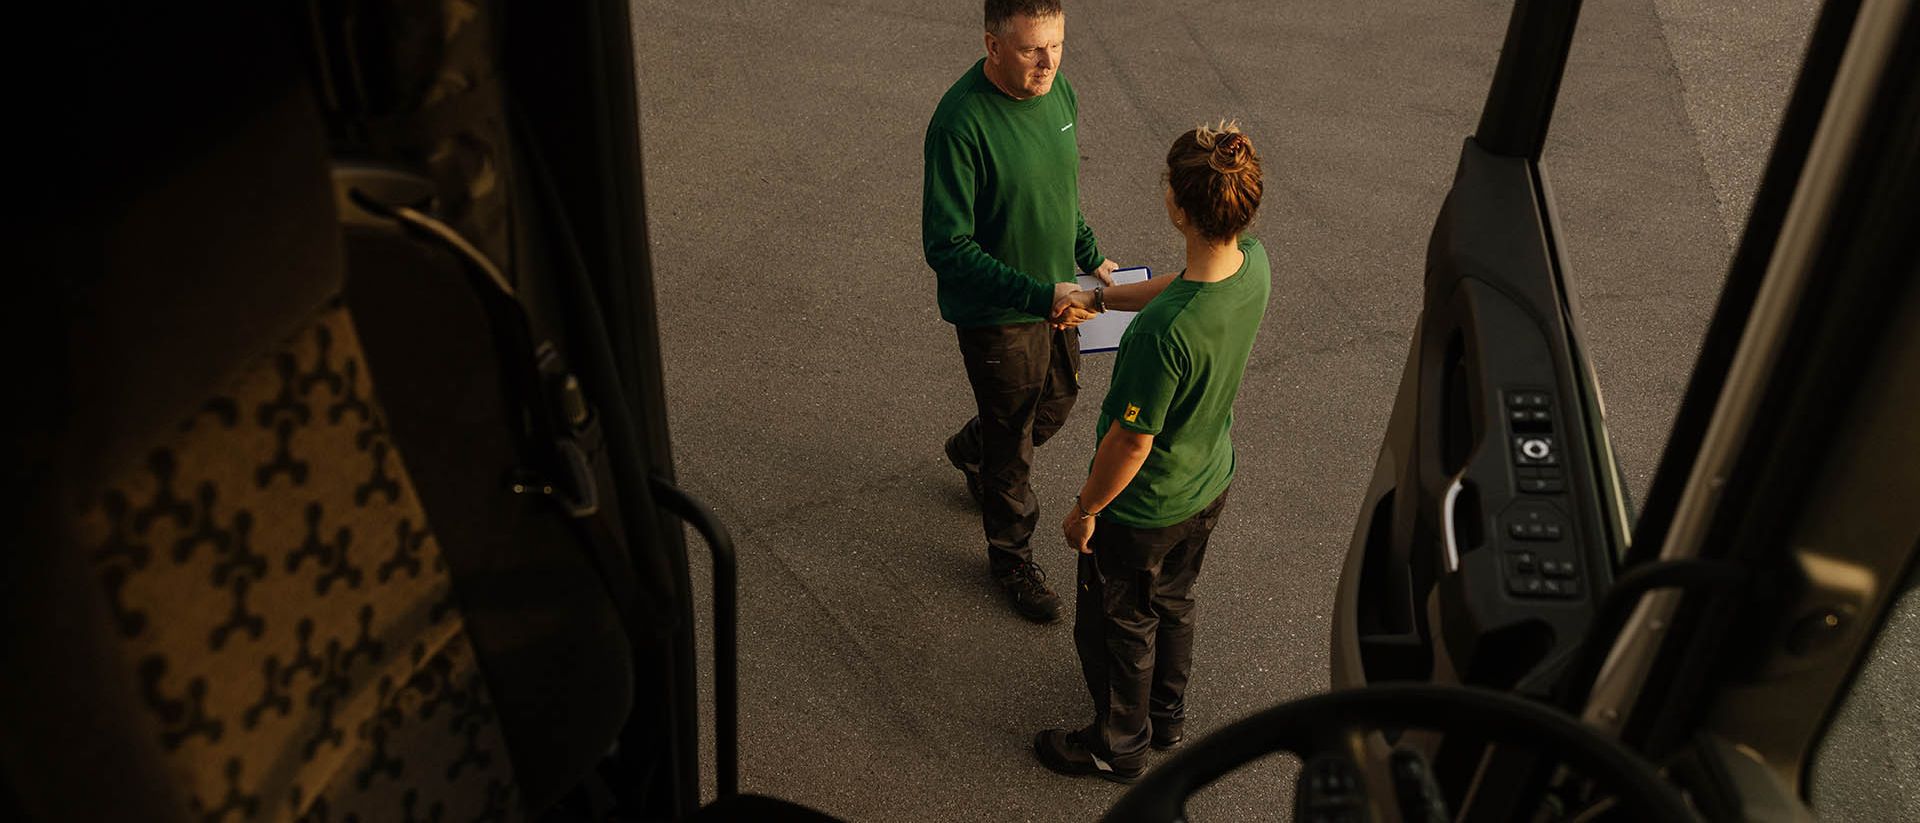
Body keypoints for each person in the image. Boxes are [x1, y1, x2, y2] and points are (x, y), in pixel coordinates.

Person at [1033, 122, 1269, 783]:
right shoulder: (1253, 265)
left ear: (1177, 204)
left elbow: (1131, 441)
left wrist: (1085, 508)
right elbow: (1184, 283)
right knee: (1174, 598)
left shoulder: (1164, 338)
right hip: (1208, 482)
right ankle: (1166, 715)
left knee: (1121, 621)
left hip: (1145, 508)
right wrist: (1103, 299)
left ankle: (1118, 742)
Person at [923, 0, 1122, 623]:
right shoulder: (960, 125)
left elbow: (1062, 191)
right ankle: (1010, 556)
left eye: (1057, 45)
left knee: (1057, 400)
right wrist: (1041, 296)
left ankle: (972, 447)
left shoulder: (1059, 93)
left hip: (1056, 293)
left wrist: (1091, 258)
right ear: (993, 45)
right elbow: (947, 248)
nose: (1048, 62)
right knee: (1015, 442)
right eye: (1033, 49)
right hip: (999, 312)